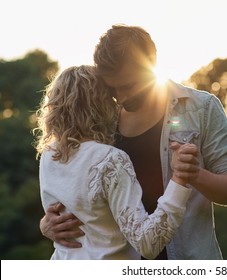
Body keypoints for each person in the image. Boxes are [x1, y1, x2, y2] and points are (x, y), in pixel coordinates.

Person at [40, 24, 227, 260]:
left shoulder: (200, 108)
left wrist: (193, 174)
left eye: (129, 86)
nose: (121, 98)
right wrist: (47, 224)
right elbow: (81, 193)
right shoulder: (101, 120)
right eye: (113, 88)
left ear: (151, 62)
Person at [35, 65, 196, 259]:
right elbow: (147, 243)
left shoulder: (48, 156)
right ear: (101, 104)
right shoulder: (110, 159)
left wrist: (44, 225)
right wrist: (179, 178)